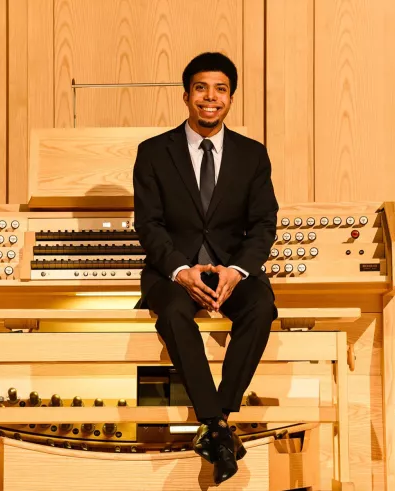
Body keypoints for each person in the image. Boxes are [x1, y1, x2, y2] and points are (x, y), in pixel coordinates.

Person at [132, 51, 279, 484]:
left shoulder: (253, 155)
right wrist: (180, 270)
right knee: (175, 315)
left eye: (220, 89)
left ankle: (217, 420)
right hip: (172, 270)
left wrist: (237, 271)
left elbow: (264, 223)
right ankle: (217, 426)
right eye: (201, 88)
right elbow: (149, 224)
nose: (210, 98)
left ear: (230, 98)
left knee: (261, 308)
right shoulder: (154, 152)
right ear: (186, 95)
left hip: (231, 269)